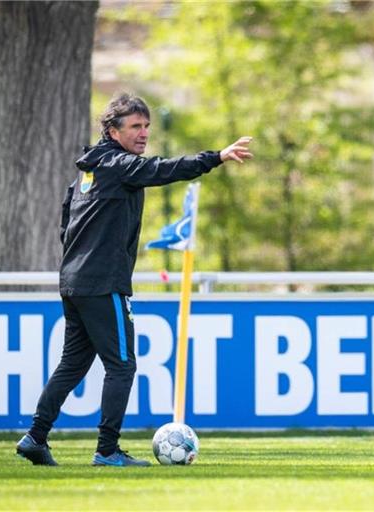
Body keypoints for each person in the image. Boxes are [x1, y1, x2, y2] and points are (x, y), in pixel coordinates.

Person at [16, 93, 253, 466]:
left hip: (75, 282)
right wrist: (216, 157)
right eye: (135, 127)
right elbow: (163, 169)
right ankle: (107, 450)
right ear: (112, 131)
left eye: (147, 126)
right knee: (122, 365)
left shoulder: (86, 173)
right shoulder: (119, 165)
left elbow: (65, 225)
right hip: (102, 283)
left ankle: (35, 437)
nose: (144, 134)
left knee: (73, 364)